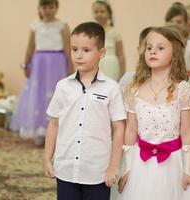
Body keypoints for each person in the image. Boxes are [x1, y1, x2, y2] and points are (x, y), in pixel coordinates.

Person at [117, 26, 190, 200]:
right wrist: (127, 168)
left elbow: (187, 132)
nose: (153, 52)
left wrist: (188, 170)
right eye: (149, 47)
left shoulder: (183, 90)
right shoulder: (134, 89)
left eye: (160, 48)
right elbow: (130, 130)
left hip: (174, 163)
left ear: (174, 54)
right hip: (140, 164)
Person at [43, 22, 126, 200]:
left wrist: (113, 165)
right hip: (65, 169)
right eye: (74, 49)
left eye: (86, 50)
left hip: (97, 172)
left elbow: (119, 128)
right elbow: (54, 124)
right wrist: (47, 158)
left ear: (101, 53)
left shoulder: (112, 89)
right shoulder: (63, 86)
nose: (79, 55)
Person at [9, 0, 72, 145]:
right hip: (39, 63)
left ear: (56, 8)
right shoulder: (35, 25)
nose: (47, 10)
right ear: (40, 8)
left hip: (57, 62)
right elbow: (30, 46)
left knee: (56, 94)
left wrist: (70, 67)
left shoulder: (62, 25)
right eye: (44, 7)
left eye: (51, 7)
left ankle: (57, 132)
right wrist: (26, 65)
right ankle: (39, 130)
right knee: (39, 94)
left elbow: (68, 47)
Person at [165, 2, 190, 102]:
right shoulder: (163, 44)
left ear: (186, 23)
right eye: (172, 22)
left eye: (179, 22)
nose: (175, 25)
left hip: (188, 83)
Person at [92, 0, 126, 80]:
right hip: (95, 65)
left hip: (111, 66)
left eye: (102, 11)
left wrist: (122, 74)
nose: (99, 14)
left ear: (109, 14)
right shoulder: (91, 32)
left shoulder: (115, 32)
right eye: (96, 12)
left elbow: (120, 55)